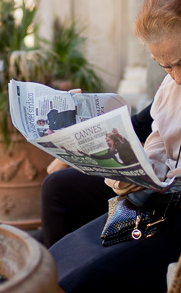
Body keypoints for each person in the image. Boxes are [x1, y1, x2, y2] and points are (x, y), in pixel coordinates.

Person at [48, 0, 181, 292]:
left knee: (85, 279)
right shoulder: (174, 84)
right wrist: (134, 174)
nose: (180, 79)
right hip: (160, 208)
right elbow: (155, 144)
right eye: (166, 67)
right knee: (55, 265)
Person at [35, 104, 154, 248]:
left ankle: (56, 266)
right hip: (133, 177)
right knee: (41, 237)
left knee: (57, 187)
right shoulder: (170, 91)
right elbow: (139, 125)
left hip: (152, 188)